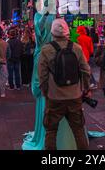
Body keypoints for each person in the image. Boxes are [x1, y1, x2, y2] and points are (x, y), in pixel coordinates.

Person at [38, 19, 91, 150]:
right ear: (67, 32)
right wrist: (86, 89)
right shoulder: (76, 48)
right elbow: (86, 70)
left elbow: (42, 75)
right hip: (74, 96)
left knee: (51, 131)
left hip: (55, 97)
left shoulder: (46, 50)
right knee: (78, 130)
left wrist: (45, 92)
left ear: (52, 33)